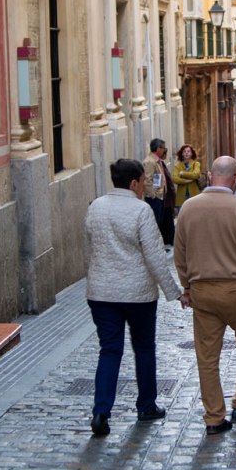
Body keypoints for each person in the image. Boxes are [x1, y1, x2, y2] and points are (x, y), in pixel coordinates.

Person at [85, 157, 181, 435]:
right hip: (137, 295)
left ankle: (101, 412)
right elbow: (154, 256)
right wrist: (173, 293)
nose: (142, 187)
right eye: (141, 182)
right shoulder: (140, 211)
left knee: (110, 350)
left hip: (102, 293)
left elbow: (91, 246)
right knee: (144, 347)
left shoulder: (96, 207)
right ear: (133, 182)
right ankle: (146, 404)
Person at [174, 156, 236, 433]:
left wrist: (187, 286)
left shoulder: (189, 209)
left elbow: (180, 255)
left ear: (208, 175)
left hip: (203, 292)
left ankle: (214, 417)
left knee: (207, 357)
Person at [142, 138, 170, 242]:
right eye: (163, 148)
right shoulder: (150, 161)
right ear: (158, 148)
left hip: (160, 196)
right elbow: (147, 181)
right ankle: (155, 244)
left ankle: (159, 244)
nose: (164, 150)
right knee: (155, 222)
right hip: (155, 198)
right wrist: (154, 195)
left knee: (160, 222)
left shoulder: (157, 160)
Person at [172, 144, 201, 211]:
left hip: (194, 196)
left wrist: (183, 173)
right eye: (184, 151)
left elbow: (196, 174)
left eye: (188, 151)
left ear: (192, 153)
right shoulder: (177, 165)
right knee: (182, 218)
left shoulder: (196, 164)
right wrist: (186, 181)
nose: (186, 153)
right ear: (182, 154)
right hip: (181, 197)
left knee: (194, 216)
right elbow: (174, 179)